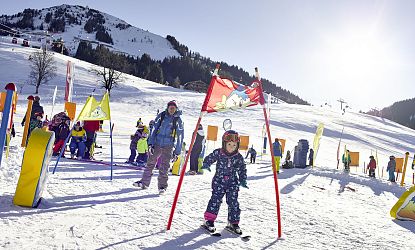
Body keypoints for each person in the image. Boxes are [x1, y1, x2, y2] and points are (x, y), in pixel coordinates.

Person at [201, 130, 247, 234]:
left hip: (232, 183)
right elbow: (210, 157)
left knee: (233, 202)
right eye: (229, 144)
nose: (231, 147)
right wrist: (206, 164)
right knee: (215, 200)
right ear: (224, 143)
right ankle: (209, 220)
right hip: (219, 182)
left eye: (234, 145)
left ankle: (233, 222)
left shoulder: (238, 157)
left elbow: (242, 168)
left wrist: (243, 179)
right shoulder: (219, 152)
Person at [133, 100, 184, 194]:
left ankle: (162, 187)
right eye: (170, 108)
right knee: (150, 163)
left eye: (174, 108)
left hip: (168, 145)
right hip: (157, 143)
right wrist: (150, 143)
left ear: (176, 109)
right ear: (167, 108)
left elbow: (180, 136)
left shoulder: (178, 120)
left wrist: (177, 151)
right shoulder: (162, 116)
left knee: (164, 166)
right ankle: (144, 183)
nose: (172, 110)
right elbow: (153, 130)